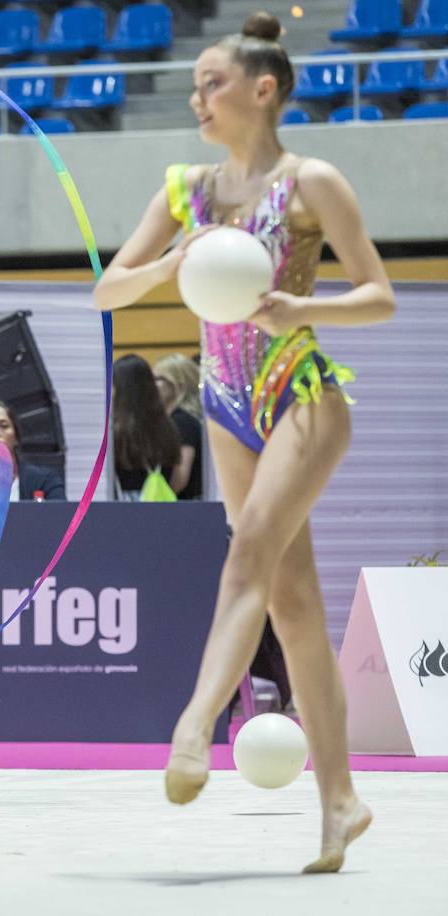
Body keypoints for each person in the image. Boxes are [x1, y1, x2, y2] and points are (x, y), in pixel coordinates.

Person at [93, 12, 395, 872]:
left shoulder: (311, 182)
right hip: (228, 406)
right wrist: (166, 264)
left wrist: (308, 309)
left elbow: (378, 295)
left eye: (212, 83)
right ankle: (340, 802)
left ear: (264, 90)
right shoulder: (184, 187)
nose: (197, 96)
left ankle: (193, 727)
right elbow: (107, 293)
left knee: (248, 554)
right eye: (193, 84)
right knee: (293, 605)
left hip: (303, 396)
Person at [111, 356, 184, 499]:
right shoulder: (167, 427)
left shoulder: (116, 431)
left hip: (121, 508)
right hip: (159, 507)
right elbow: (176, 476)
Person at [153, 353, 205, 500]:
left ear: (178, 385)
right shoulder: (182, 418)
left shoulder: (182, 422)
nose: (152, 385)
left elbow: (181, 475)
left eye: (158, 379)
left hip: (183, 507)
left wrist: (161, 501)